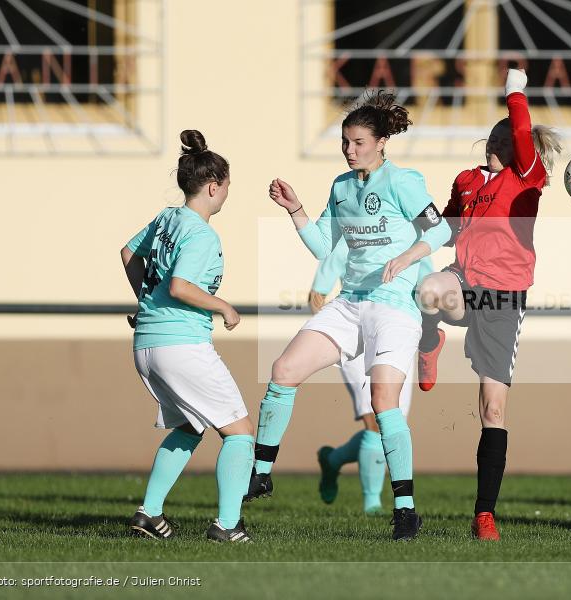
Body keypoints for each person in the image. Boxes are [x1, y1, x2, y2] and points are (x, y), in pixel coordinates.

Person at [245, 91, 451, 540]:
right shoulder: (341, 187)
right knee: (283, 370)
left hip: (395, 306)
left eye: (358, 142)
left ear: (380, 143)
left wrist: (408, 257)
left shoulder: (403, 181)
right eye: (345, 141)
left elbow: (442, 228)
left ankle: (405, 508)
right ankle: (260, 473)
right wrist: (296, 210)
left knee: (382, 405)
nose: (349, 149)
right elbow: (326, 248)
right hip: (350, 301)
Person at [414, 69, 562, 540]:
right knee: (429, 289)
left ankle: (484, 514)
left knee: (492, 410)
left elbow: (522, 130)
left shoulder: (526, 178)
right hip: (464, 282)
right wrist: (410, 207)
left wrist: (515, 91)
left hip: (503, 299)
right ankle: (429, 338)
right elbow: (447, 231)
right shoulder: (466, 181)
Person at [121, 130, 254, 543]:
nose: (228, 193)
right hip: (181, 344)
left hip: (147, 343)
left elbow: (129, 253)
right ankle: (228, 525)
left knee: (189, 427)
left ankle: (149, 515)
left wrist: (146, 301)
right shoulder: (200, 233)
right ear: (214, 186)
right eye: (227, 186)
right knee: (239, 432)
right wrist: (224, 306)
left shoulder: (167, 218)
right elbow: (180, 286)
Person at [309, 241, 431, 515]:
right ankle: (372, 504)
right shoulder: (356, 238)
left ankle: (333, 459)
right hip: (359, 339)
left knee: (389, 422)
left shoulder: (415, 244)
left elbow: (428, 292)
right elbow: (316, 296)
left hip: (396, 335)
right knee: (375, 421)